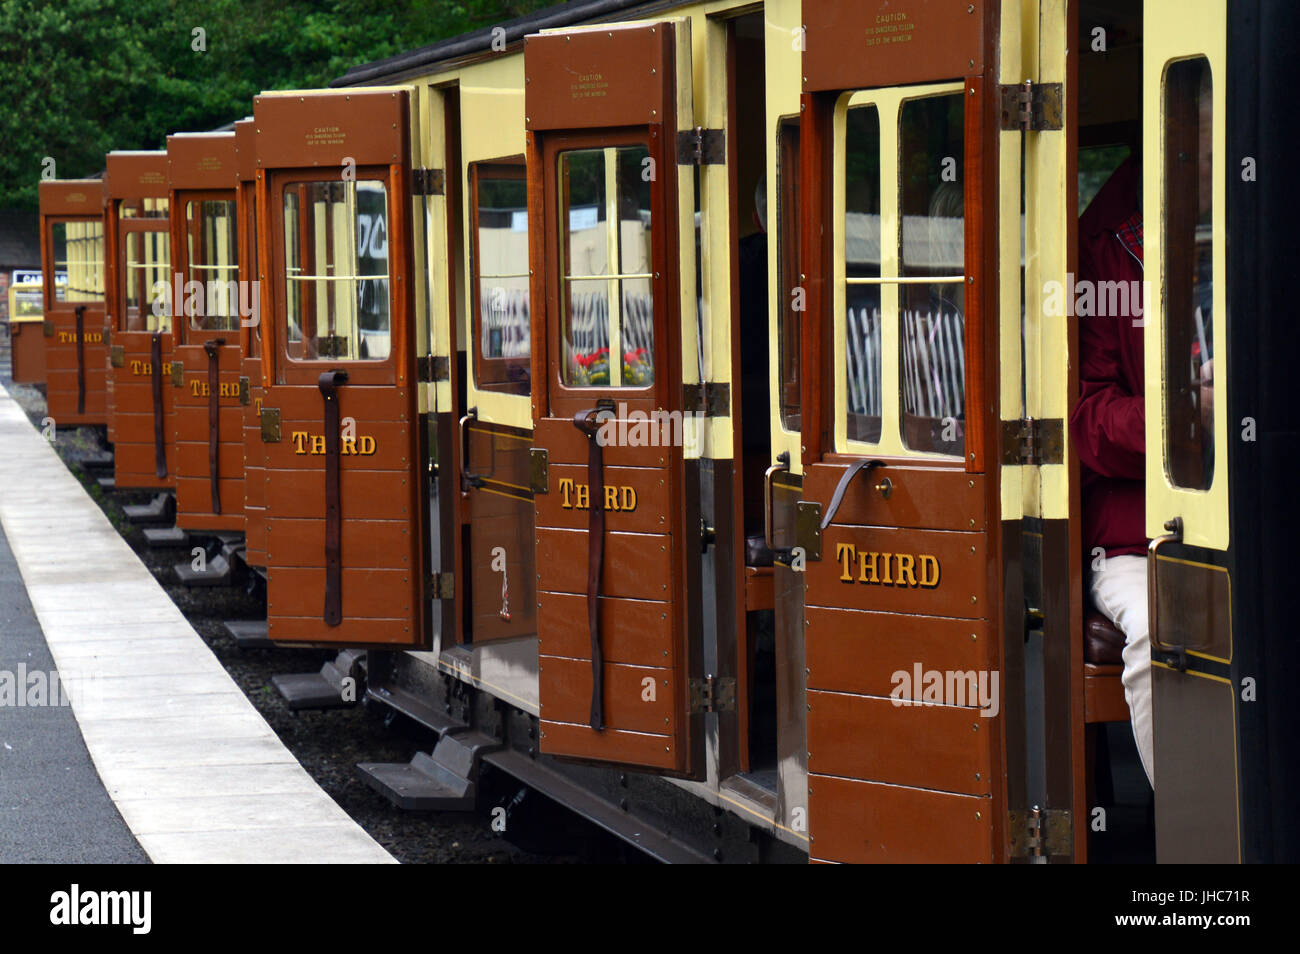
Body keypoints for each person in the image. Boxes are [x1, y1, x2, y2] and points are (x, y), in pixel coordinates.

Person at [1070, 154, 1155, 787]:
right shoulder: (1106, 250)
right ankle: (1199, 842)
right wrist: (1179, 421)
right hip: (1136, 538)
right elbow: (1087, 422)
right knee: (1158, 632)